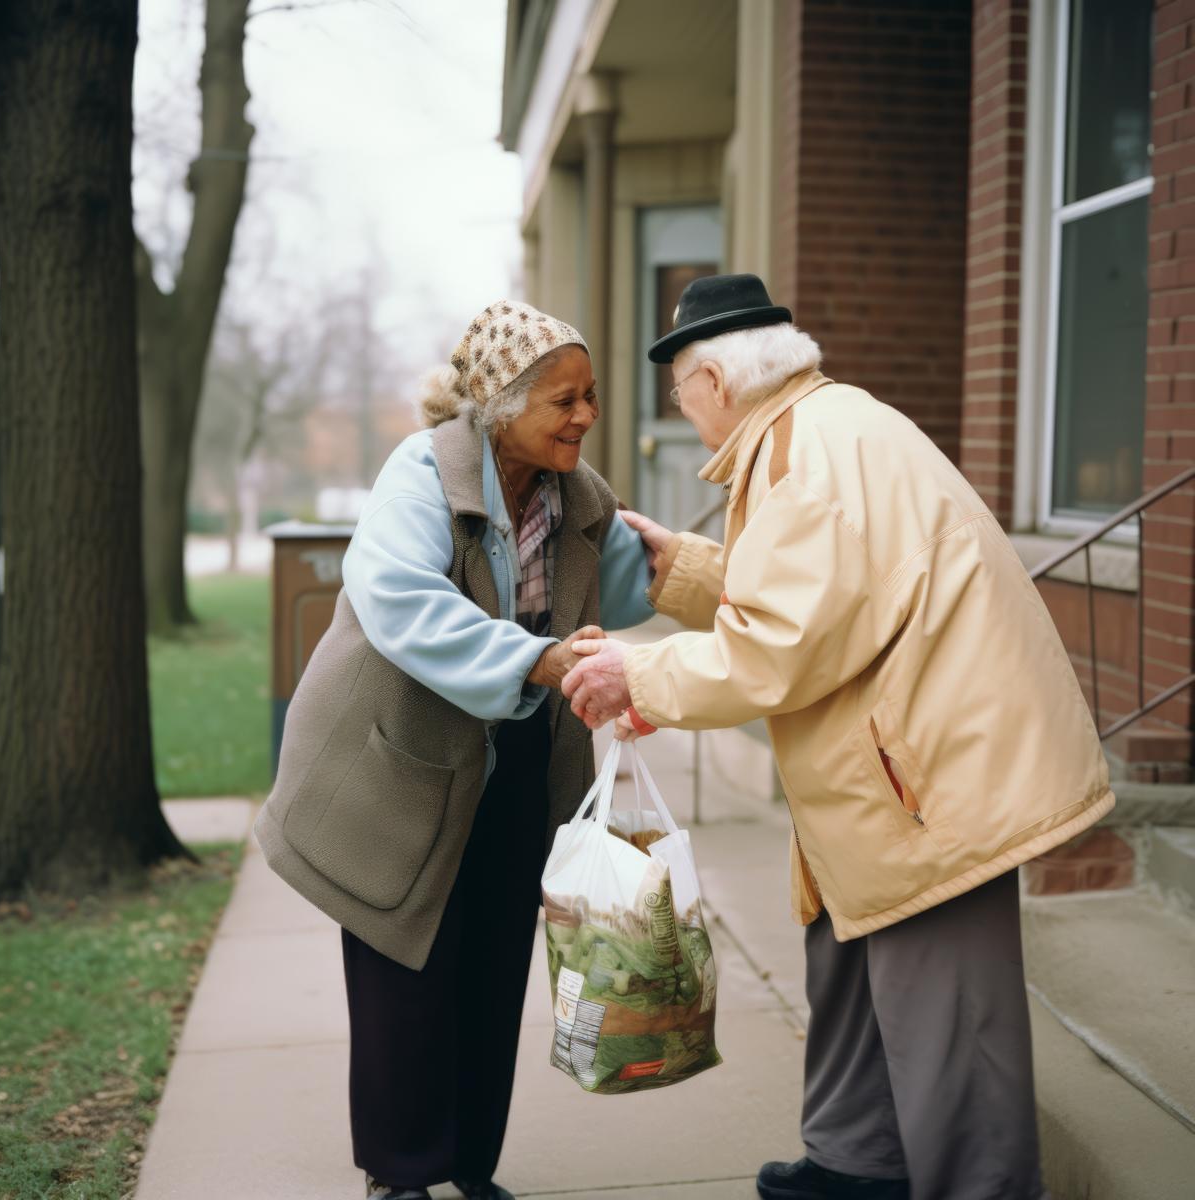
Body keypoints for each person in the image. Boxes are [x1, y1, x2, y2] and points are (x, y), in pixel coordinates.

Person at [562, 274, 1113, 1200]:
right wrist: (683, 571)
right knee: (850, 959)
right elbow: (825, 593)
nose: (680, 406)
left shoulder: (801, 457)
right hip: (907, 763)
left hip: (932, 783)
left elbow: (778, 646)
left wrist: (639, 673)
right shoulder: (817, 428)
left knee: (947, 1020)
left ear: (716, 382)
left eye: (680, 388)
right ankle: (857, 1163)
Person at [255, 300, 654, 1200]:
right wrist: (536, 659)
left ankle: (470, 1166)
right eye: (564, 400)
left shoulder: (576, 495)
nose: (586, 416)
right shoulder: (422, 475)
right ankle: (401, 1175)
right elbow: (400, 599)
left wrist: (730, 567)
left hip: (517, 755)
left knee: (494, 961)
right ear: (500, 406)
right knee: (406, 966)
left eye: (591, 395)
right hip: (403, 758)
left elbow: (647, 572)